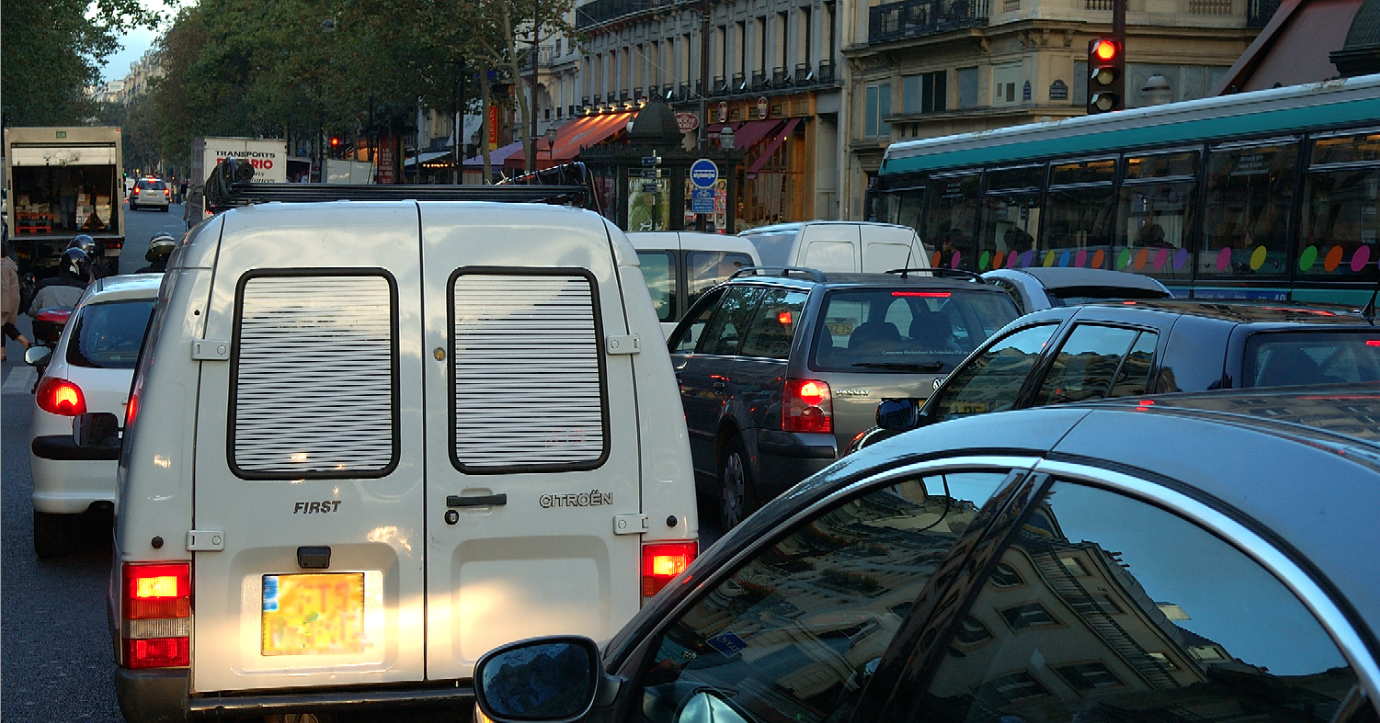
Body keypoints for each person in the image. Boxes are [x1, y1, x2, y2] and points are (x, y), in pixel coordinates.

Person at [29, 248, 90, 316]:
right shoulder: (86, 290)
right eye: (85, 267)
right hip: (74, 326)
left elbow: (31, 311)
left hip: (47, 325)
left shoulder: (44, 285)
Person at [1, 241, 32, 361]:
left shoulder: (3, 268)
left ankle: (1, 353)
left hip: (6, 302)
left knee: (1, 326)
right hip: (12, 299)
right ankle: (25, 343)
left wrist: (4, 307)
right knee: (6, 325)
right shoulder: (9, 265)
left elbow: (5, 288)